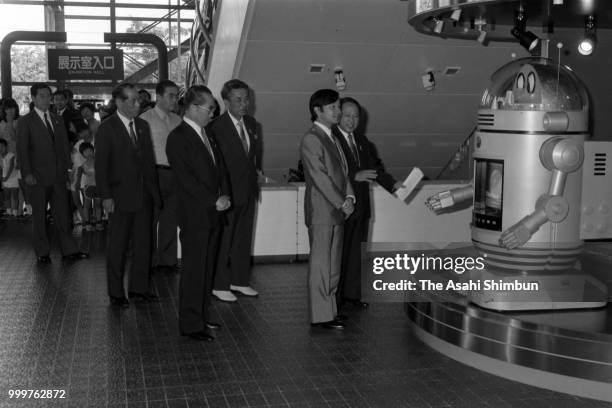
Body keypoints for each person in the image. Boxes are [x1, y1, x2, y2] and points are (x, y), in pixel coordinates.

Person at [166, 85, 231, 341]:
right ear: (192, 108)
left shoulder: (207, 134)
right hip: (195, 214)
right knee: (194, 270)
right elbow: (186, 180)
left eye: (214, 108)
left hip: (213, 212)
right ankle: (191, 324)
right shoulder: (179, 137)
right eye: (209, 108)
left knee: (207, 268)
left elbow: (220, 169)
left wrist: (224, 195)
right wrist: (213, 200)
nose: (213, 113)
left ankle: (202, 316)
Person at [332, 97, 402, 309]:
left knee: (356, 253)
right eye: (347, 116)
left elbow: (376, 169)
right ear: (338, 115)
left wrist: (394, 185)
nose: (351, 121)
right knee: (339, 254)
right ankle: (334, 299)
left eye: (355, 117)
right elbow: (332, 171)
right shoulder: (330, 139)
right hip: (341, 206)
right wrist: (355, 175)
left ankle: (353, 294)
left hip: (362, 206)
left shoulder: (363, 142)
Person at [95, 83, 161, 308]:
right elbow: (101, 166)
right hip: (119, 196)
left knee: (144, 244)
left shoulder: (142, 125)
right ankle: (116, 293)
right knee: (118, 246)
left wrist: (155, 193)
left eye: (138, 99)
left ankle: (138, 288)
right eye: (132, 100)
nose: (137, 103)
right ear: (119, 102)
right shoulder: (107, 128)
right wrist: (106, 196)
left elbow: (149, 163)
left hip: (144, 195)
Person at [300, 89, 355, 329]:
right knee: (322, 265)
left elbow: (343, 173)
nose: (338, 111)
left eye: (337, 106)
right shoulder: (312, 138)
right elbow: (319, 176)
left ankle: (329, 311)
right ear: (317, 110)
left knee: (333, 264)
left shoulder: (332, 136)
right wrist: (342, 201)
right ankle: (320, 315)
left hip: (336, 210)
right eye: (332, 107)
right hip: (322, 210)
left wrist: (350, 195)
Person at [16, 83, 88, 263]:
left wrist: (67, 170)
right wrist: (27, 174)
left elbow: (64, 148)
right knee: (39, 217)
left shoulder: (57, 119)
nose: (47, 99)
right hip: (37, 177)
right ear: (33, 98)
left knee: (63, 215)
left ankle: (69, 250)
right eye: (42, 96)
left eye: (48, 96)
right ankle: (42, 252)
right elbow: (22, 150)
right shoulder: (25, 121)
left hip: (58, 176)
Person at [210, 79, 262, 302]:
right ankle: (219, 284)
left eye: (246, 98)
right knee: (225, 239)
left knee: (243, 238)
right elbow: (215, 165)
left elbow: (252, 159)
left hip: (249, 190)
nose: (244, 103)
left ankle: (239, 281)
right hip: (228, 192)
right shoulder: (215, 127)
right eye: (238, 99)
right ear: (226, 101)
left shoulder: (252, 124)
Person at [140, 80, 182, 272]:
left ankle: (167, 261)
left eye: (177, 95)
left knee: (170, 220)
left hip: (175, 175)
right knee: (150, 219)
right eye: (171, 95)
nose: (175, 99)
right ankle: (147, 261)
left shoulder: (178, 120)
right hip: (154, 174)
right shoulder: (145, 120)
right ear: (159, 96)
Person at [75, 142, 102, 231]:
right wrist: (77, 184)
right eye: (85, 152)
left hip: (99, 187)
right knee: (86, 206)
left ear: (93, 150)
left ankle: (99, 222)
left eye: (90, 150)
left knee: (98, 205)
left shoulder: (99, 161)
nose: (88, 153)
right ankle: (87, 223)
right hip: (88, 188)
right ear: (82, 154)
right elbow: (78, 177)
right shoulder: (82, 165)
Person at [0, 138, 19, 217]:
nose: (0, 148)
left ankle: (15, 213)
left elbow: (11, 167)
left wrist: (6, 177)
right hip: (4, 179)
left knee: (14, 196)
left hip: (13, 178)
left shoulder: (11, 155)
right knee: (6, 196)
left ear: (6, 147)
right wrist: (1, 178)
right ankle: (8, 212)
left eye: (2, 146)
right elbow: (0, 168)